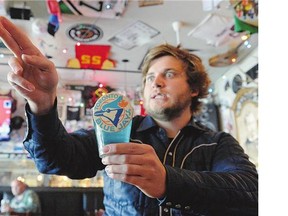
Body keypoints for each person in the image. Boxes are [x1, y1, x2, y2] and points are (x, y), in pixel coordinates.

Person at [0, 16, 258, 215]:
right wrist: (42, 106)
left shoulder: (217, 143)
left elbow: (253, 193)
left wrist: (169, 181)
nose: (155, 83)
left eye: (169, 74)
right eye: (148, 78)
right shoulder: (120, 130)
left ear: (194, 88)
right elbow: (56, 160)